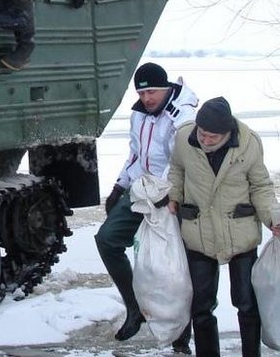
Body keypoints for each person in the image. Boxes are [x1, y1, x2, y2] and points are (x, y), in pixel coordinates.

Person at [167, 97, 280, 357]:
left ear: (227, 133)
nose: (205, 140)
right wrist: (173, 196)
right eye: (202, 134)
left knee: (247, 304)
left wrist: (272, 216)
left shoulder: (248, 143)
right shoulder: (185, 139)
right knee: (201, 306)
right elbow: (176, 169)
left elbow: (261, 186)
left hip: (239, 232)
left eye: (212, 137)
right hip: (198, 232)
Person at [94, 62, 198, 349]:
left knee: (174, 267)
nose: (147, 99)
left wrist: (167, 192)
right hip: (141, 189)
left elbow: (181, 160)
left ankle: (180, 334)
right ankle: (135, 308)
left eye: (152, 92)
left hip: (170, 195)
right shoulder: (139, 114)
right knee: (107, 240)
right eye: (142, 94)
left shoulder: (183, 115)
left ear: (164, 88)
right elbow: (135, 153)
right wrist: (120, 185)